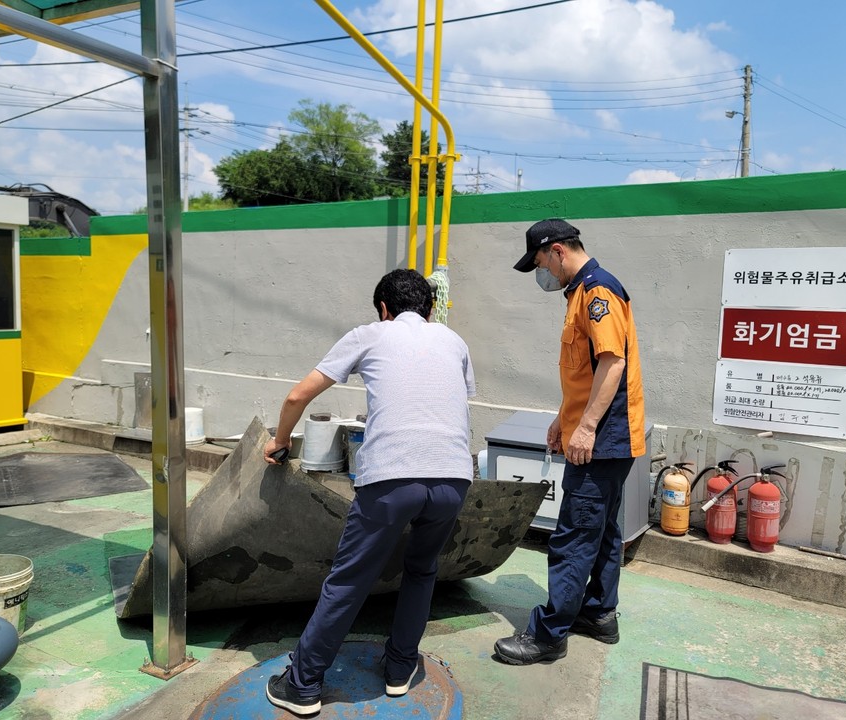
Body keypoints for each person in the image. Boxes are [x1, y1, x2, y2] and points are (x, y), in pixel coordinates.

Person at [263, 268, 476, 715]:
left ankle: (302, 685)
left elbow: (297, 397)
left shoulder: (370, 334)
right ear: (431, 307)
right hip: (454, 477)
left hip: (391, 479)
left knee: (348, 580)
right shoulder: (454, 342)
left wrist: (280, 441)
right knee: (421, 571)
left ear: (384, 309)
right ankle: (400, 669)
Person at [494, 218, 646, 665]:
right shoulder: (581, 293)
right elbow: (583, 373)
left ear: (558, 250)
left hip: (603, 439)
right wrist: (564, 420)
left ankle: (549, 635)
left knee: (574, 535)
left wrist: (585, 428)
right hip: (605, 437)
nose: (542, 272)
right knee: (601, 531)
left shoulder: (598, 292)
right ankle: (598, 614)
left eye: (540, 261)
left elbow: (612, 364)